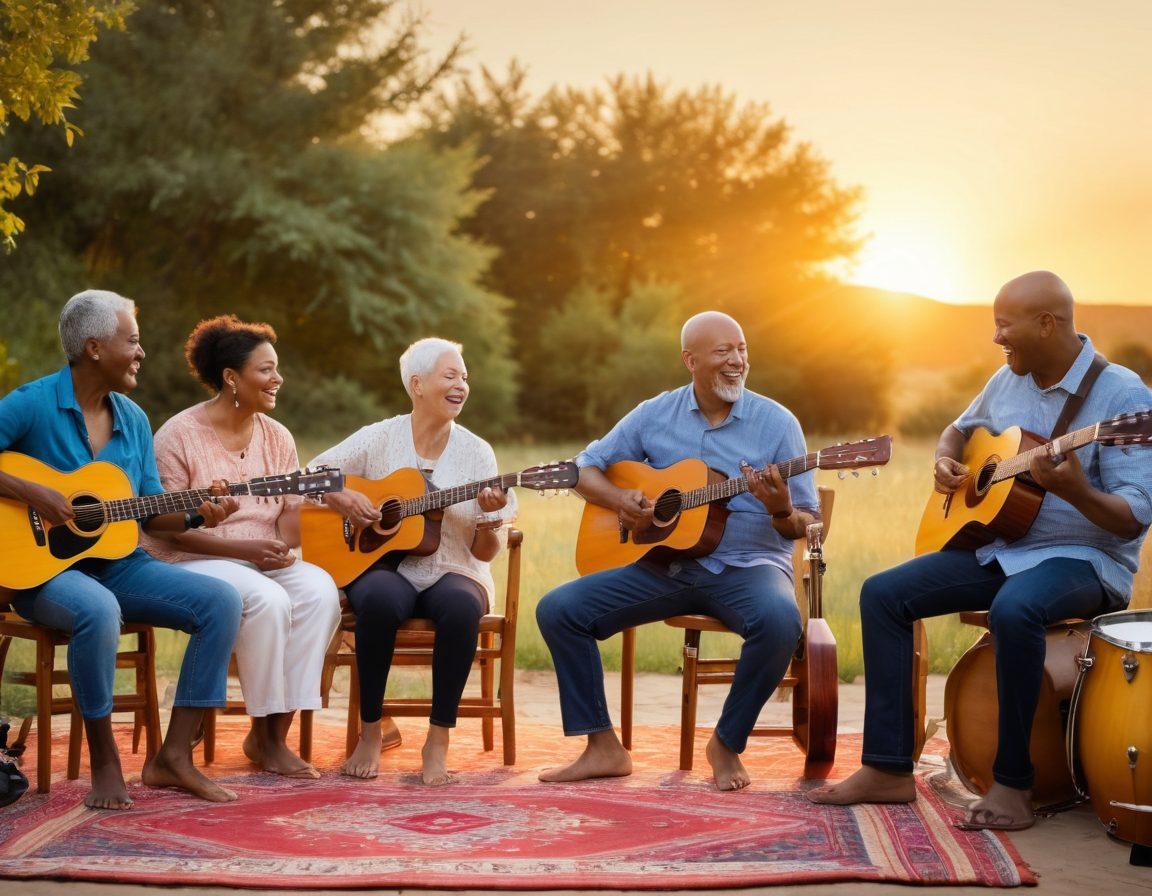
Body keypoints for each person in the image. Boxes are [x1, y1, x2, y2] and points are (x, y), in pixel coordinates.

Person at [807, 271, 1152, 831]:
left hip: (1088, 560)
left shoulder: (1125, 398)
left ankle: (1013, 784)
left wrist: (1076, 489)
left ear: (1047, 324)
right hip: (1003, 548)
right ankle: (888, 768)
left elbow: (1136, 514)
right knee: (883, 594)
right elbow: (958, 430)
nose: (996, 338)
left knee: (1016, 607)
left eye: (1003, 325)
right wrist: (945, 461)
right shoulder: (1006, 380)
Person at [535, 311, 820, 791]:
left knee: (780, 621)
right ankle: (603, 747)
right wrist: (620, 499)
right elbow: (585, 466)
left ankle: (726, 743)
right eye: (722, 351)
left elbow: (810, 524)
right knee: (560, 609)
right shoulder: (655, 413)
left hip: (747, 568)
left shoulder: (778, 424)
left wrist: (780, 508)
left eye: (742, 349)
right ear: (690, 360)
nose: (736, 361)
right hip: (663, 567)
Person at [0, 290, 244, 808]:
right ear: (93, 348)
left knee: (221, 601)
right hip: (42, 573)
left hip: (119, 564)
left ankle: (172, 758)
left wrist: (201, 510)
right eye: (131, 340)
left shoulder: (132, 418)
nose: (141, 352)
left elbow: (153, 512)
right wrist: (34, 491)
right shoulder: (31, 403)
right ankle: (106, 762)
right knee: (98, 610)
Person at [309, 337, 516, 784]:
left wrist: (489, 520)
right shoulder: (379, 437)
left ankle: (437, 740)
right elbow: (312, 474)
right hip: (387, 568)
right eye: (450, 375)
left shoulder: (478, 453)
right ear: (417, 384)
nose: (461, 384)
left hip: (457, 569)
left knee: (461, 607)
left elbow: (484, 553)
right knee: (378, 601)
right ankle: (371, 732)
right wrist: (344, 498)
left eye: (464, 377)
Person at [142, 316, 341, 779]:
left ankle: (272, 736)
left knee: (318, 591)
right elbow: (165, 529)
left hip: (257, 557)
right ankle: (264, 735)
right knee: (266, 599)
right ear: (232, 377)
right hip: (193, 558)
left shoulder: (278, 436)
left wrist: (319, 503)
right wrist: (247, 551)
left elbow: (288, 526)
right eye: (266, 369)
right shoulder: (178, 435)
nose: (278, 379)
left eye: (277, 369)